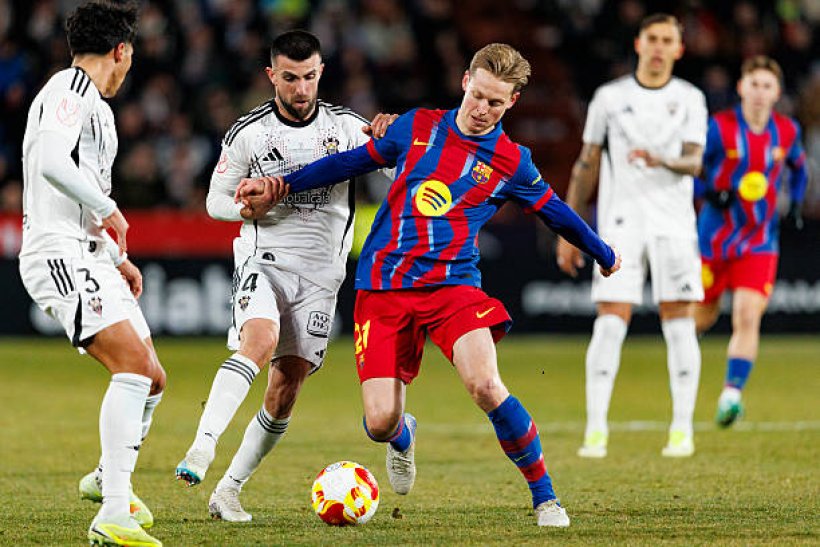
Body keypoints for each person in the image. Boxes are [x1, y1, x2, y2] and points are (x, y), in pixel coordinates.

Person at [237, 42, 621, 528]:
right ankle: (403, 434)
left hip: (453, 287)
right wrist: (283, 186)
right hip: (383, 286)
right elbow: (349, 163)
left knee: (486, 385)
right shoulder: (416, 126)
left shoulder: (511, 161)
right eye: (477, 95)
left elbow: (556, 212)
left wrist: (602, 252)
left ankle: (545, 498)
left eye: (495, 102)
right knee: (380, 423)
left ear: (512, 103)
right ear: (465, 82)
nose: (482, 109)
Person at [174, 30, 395, 522]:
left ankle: (228, 490)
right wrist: (245, 210)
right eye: (290, 78)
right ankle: (202, 447)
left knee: (285, 388)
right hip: (265, 261)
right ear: (271, 75)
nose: (301, 88)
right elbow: (214, 201)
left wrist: (396, 134)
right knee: (258, 340)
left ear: (321, 72)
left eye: (309, 77)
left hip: (322, 278)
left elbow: (396, 169)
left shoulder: (347, 128)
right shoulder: (249, 133)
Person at [18, 2, 165, 545]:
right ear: (121, 50)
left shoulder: (96, 107)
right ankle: (112, 512)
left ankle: (107, 476)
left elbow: (79, 192)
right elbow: (51, 164)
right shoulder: (68, 90)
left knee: (153, 378)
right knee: (132, 365)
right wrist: (109, 208)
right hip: (57, 252)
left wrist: (115, 255)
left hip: (90, 252)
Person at [555, 13, 707, 458]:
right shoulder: (610, 97)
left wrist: (662, 158)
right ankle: (595, 431)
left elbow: (695, 161)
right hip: (621, 223)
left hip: (674, 225)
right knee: (610, 319)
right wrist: (569, 229)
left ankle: (682, 430)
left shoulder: (690, 98)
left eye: (667, 40)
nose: (659, 47)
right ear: (639, 44)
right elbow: (587, 163)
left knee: (679, 322)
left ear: (679, 49)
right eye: (652, 38)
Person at [694, 56, 807, 428]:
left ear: (777, 93)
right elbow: (693, 170)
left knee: (747, 315)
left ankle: (731, 395)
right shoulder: (719, 127)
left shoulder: (786, 131)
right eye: (754, 84)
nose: (759, 92)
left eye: (767, 86)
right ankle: (682, 372)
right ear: (741, 88)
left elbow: (799, 168)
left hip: (759, 241)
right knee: (701, 318)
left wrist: (796, 205)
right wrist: (710, 192)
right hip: (714, 241)